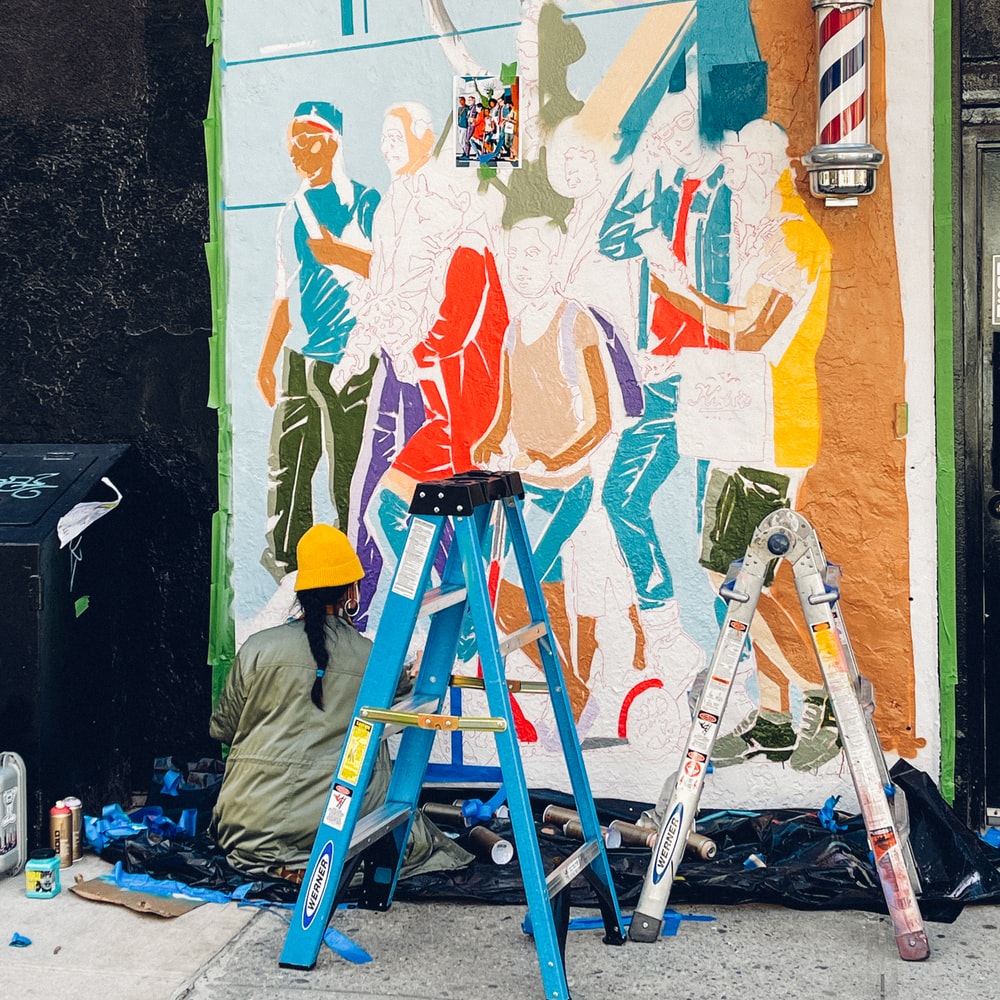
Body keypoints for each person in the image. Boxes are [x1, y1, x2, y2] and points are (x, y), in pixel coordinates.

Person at [209, 524, 472, 881]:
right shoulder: (374, 660)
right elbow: (403, 703)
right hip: (343, 827)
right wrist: (415, 673)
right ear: (352, 592)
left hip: (249, 825)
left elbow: (223, 728)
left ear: (300, 590)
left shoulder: (257, 648)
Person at [257, 101, 380, 583]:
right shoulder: (292, 212)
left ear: (332, 142)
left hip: (347, 357)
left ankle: (354, 569)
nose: (295, 149)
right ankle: (288, 567)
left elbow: (387, 272)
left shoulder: (364, 202)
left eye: (306, 139)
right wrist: (267, 361)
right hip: (298, 357)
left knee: (346, 471)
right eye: (291, 139)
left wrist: (338, 253)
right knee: (287, 467)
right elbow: (284, 293)